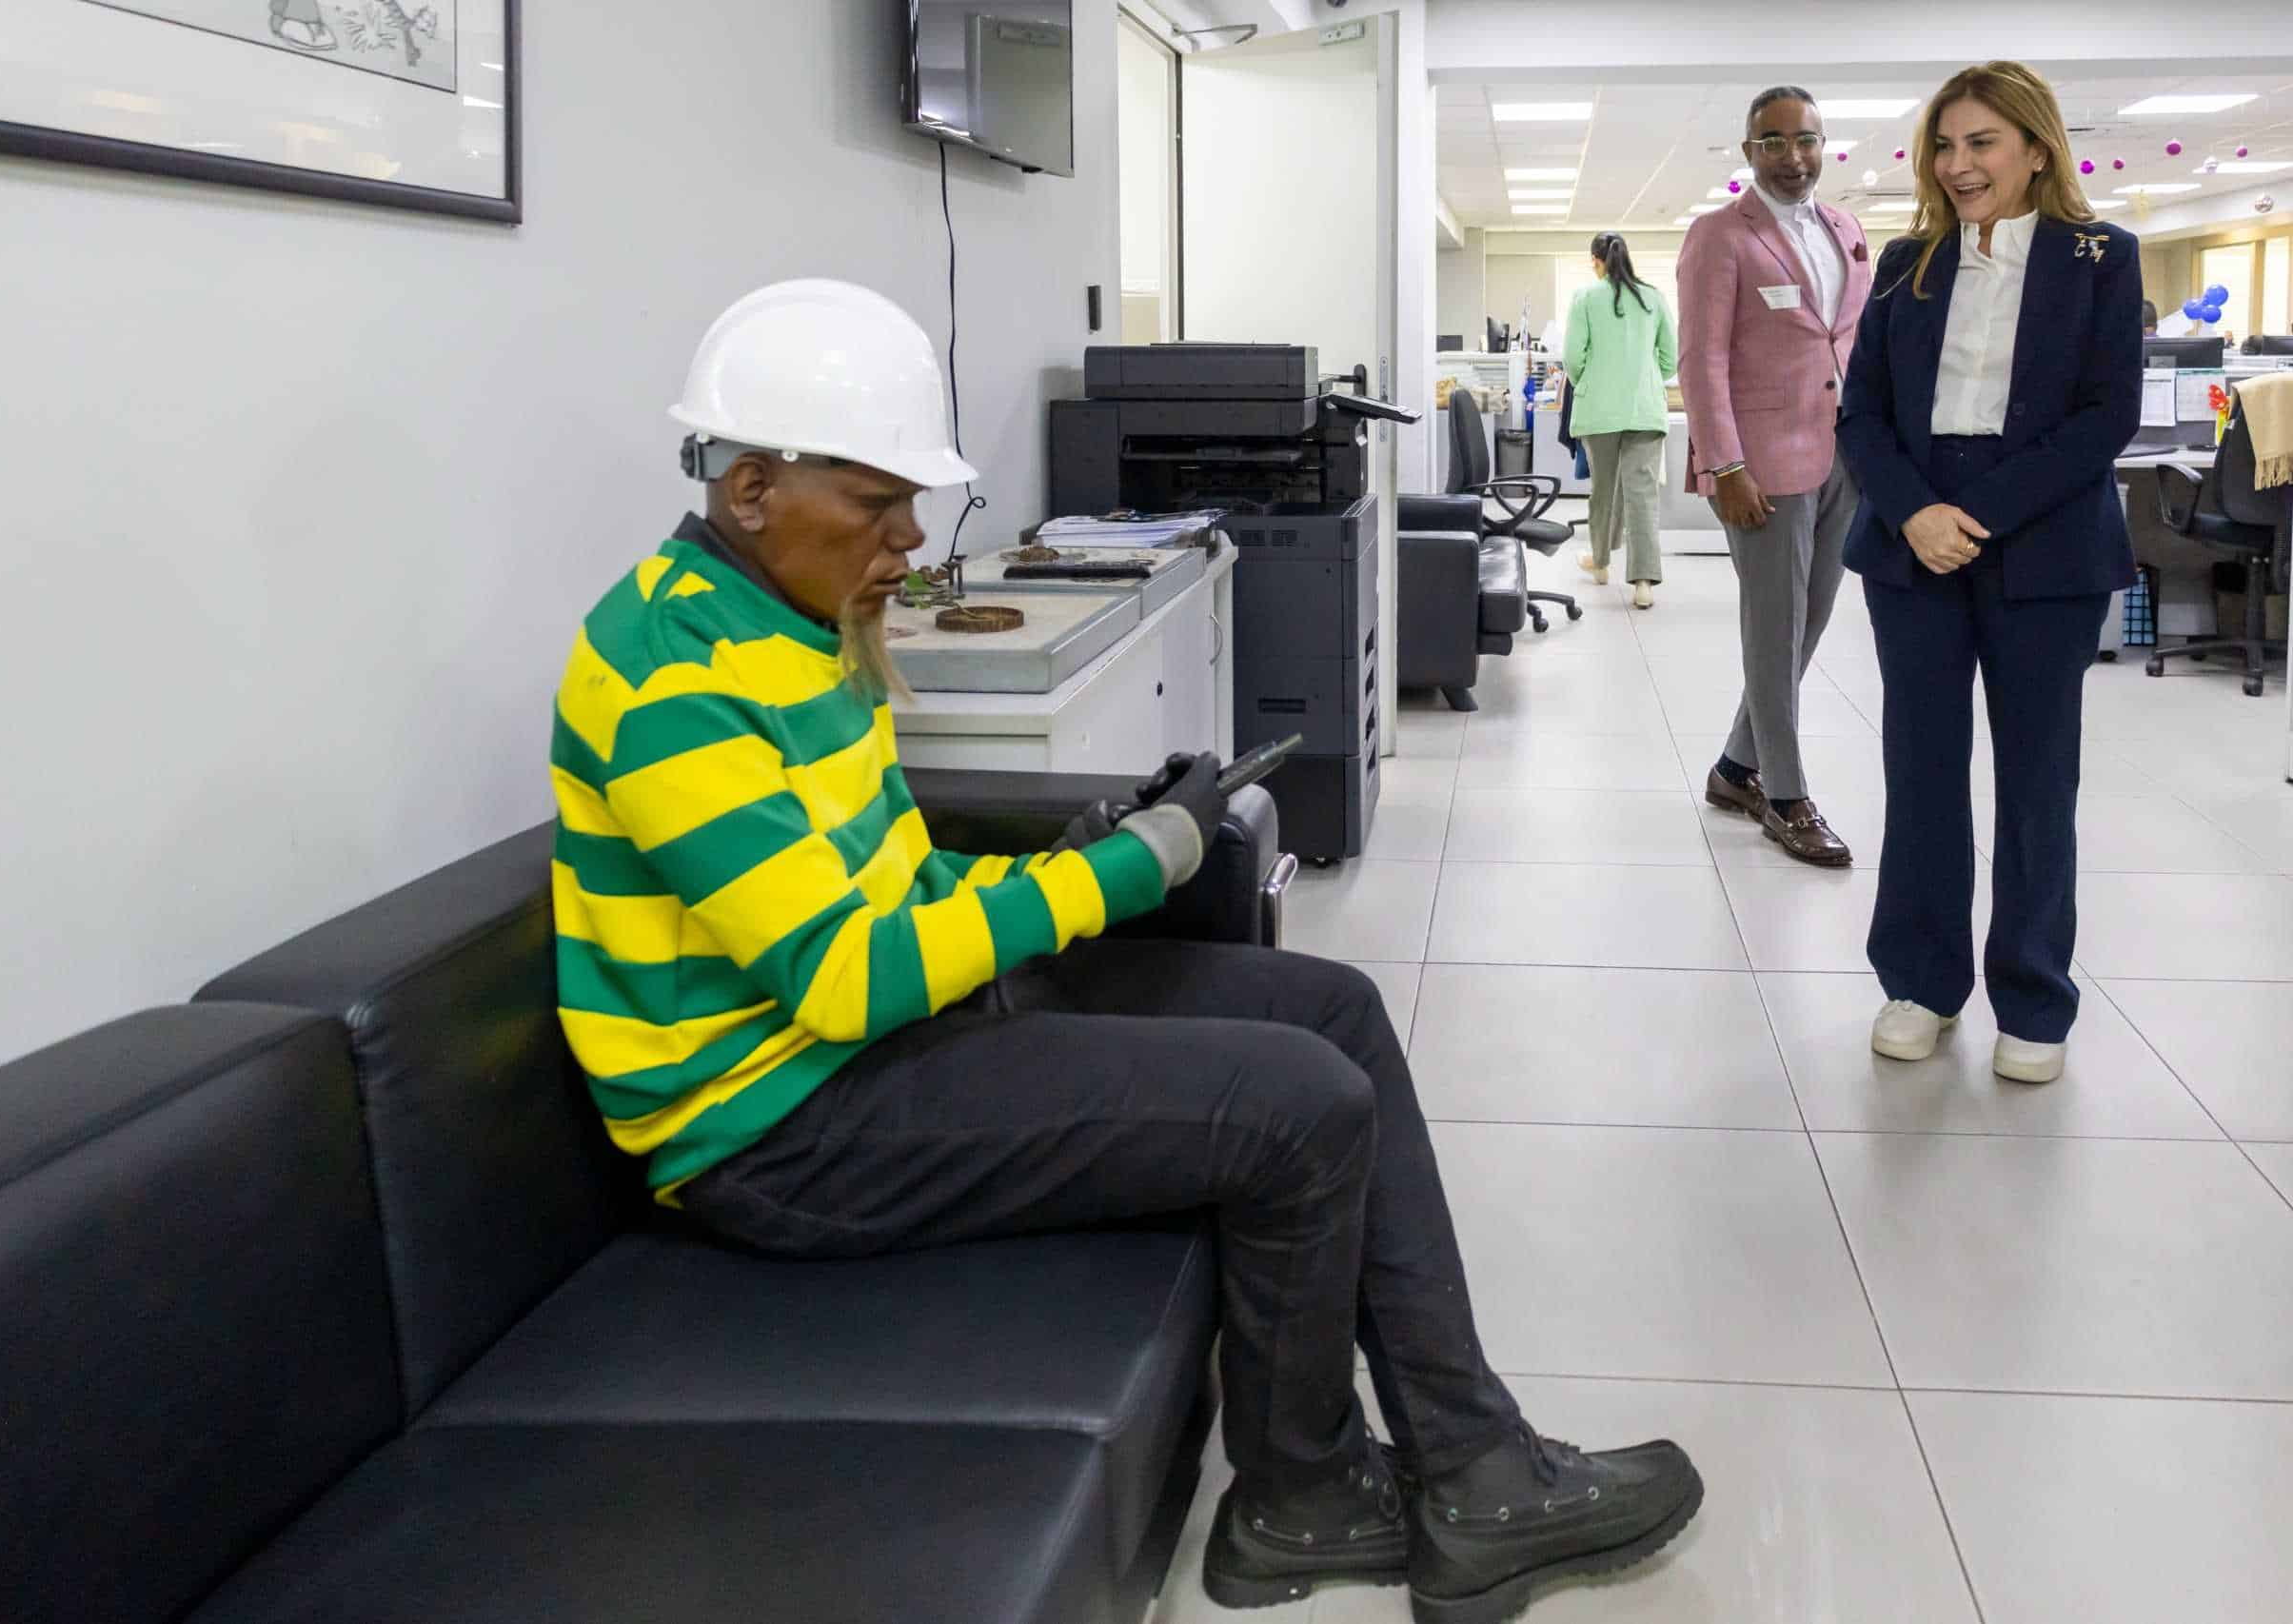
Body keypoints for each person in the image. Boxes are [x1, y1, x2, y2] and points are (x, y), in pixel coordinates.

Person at [549, 279, 1701, 1617]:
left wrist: (1065, 860)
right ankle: (1298, 1499)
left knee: (1334, 1010)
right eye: (876, 505)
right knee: (1299, 1108)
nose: (910, 538)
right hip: (780, 1127)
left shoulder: (798, 625)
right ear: (751, 489)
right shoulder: (663, 674)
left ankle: (1475, 1456)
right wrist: (1115, 874)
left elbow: (896, 875)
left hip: (862, 1044)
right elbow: (847, 972)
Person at [1836, 63, 2141, 1084]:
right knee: (1920, 769)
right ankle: (1919, 983)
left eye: (1981, 143)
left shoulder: (2101, 257)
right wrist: (1915, 511)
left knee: (2036, 777)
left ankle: (2033, 995)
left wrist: (1979, 512)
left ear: (2036, 148)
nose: (1957, 165)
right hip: (1913, 530)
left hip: (2043, 533)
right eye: (1944, 145)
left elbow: (2106, 415)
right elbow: (1861, 414)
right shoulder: (1906, 261)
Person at [1677, 87, 1876, 867]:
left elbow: (1848, 341)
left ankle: (1734, 768)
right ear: (1748, 151)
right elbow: (1702, 359)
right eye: (1773, 142)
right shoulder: (1720, 235)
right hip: (1759, 469)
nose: (1792, 157)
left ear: (1823, 144)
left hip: (1841, 458)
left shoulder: (1846, 228)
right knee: (1773, 629)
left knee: (1812, 620)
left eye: (1806, 140)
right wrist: (1723, 463)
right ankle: (1786, 796)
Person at [1563, 232, 1680, 610]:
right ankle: (1644, 582)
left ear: (1597, 260)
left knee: (1603, 490)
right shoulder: (1654, 297)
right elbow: (1669, 358)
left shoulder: (1585, 297)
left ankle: (1600, 563)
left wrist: (1592, 381)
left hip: (1599, 410)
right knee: (1642, 496)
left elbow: (1572, 359)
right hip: (1645, 409)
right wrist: (1645, 378)